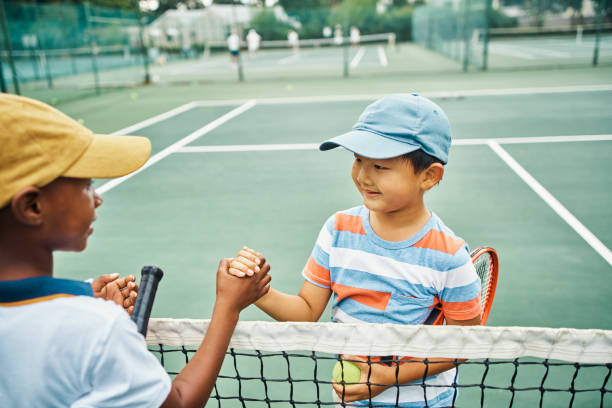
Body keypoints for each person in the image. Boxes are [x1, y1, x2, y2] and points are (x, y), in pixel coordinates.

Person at [0, 94, 271, 407]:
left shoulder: (89, 318)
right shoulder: (96, 329)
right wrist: (228, 307)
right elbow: (179, 403)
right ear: (32, 206)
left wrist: (83, 298)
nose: (97, 197)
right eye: (86, 184)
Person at [229, 94, 482, 407]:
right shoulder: (338, 231)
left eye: (379, 166)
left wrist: (391, 377)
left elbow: (465, 344)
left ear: (429, 176)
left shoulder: (449, 257)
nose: (363, 176)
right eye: (358, 160)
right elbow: (307, 311)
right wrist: (259, 292)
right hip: (352, 399)